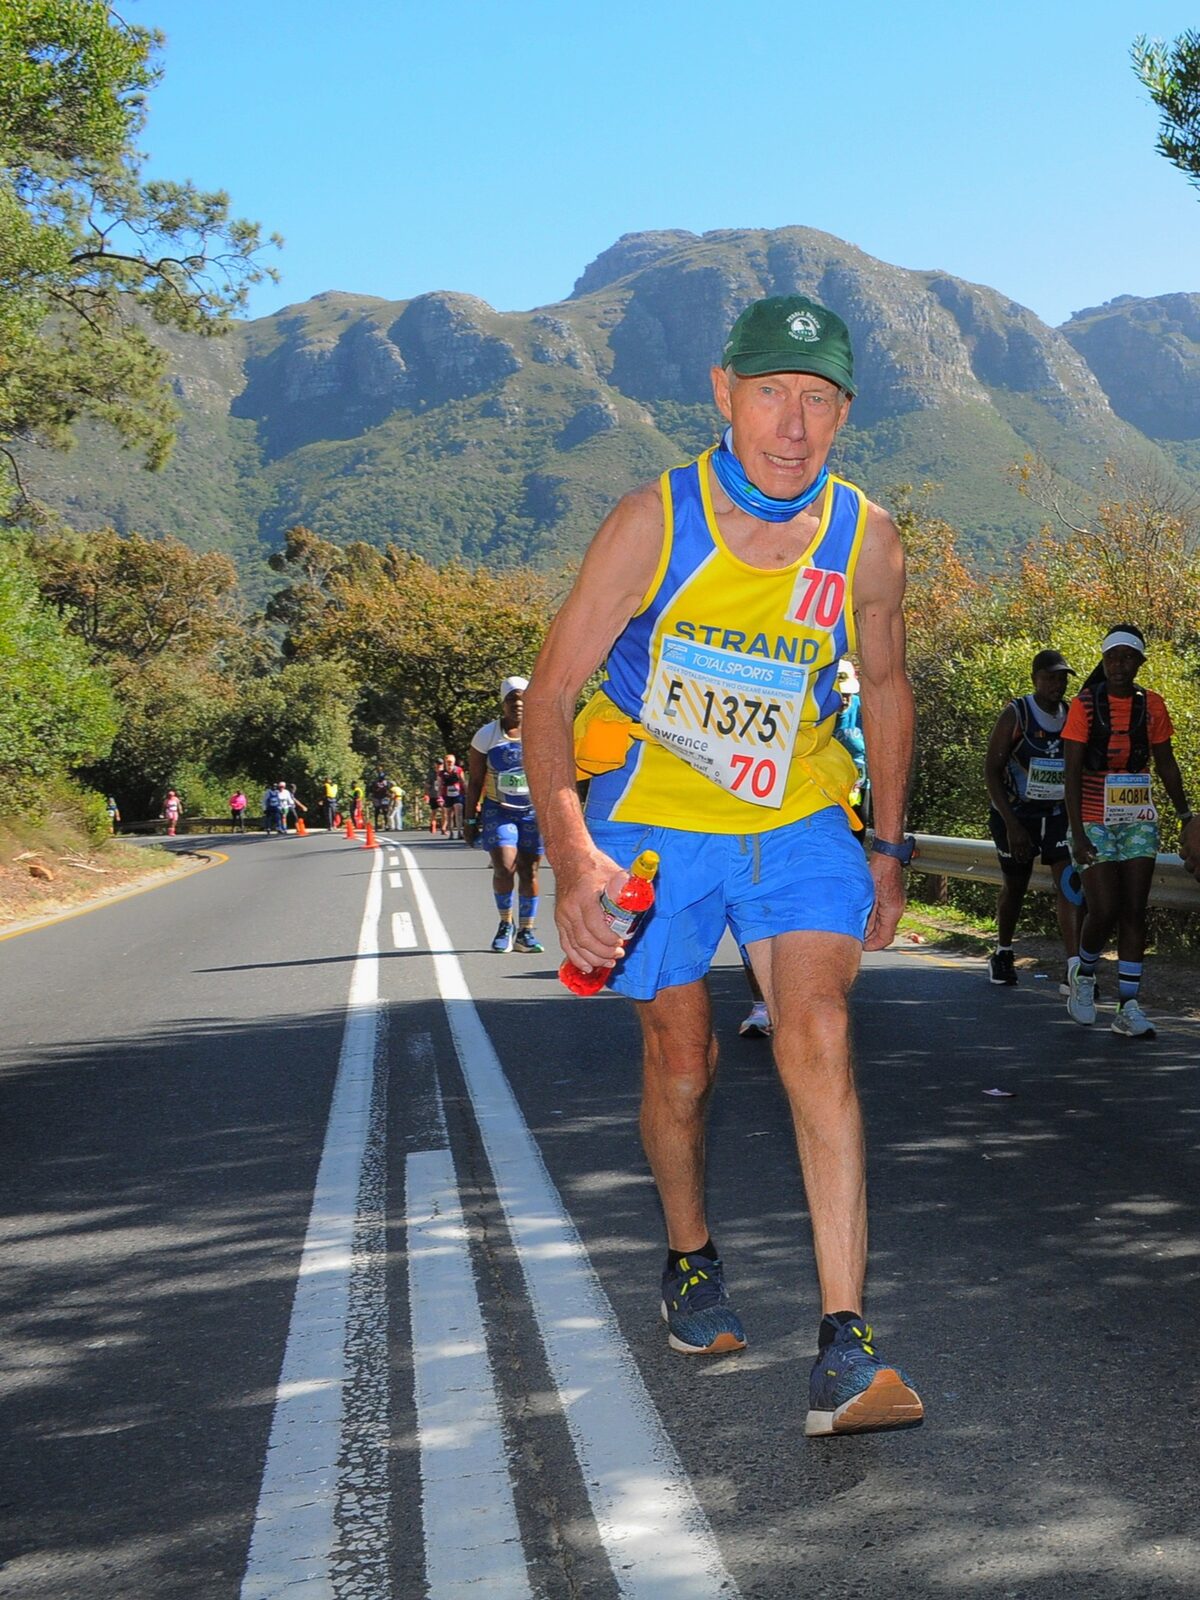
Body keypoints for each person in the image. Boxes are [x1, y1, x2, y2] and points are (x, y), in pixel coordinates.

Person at [525, 294, 922, 1437]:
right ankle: (690, 1256)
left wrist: (888, 844)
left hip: (797, 812)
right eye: (769, 396)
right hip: (654, 820)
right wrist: (570, 857)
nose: (792, 427)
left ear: (844, 410)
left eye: (816, 401)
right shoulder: (653, 521)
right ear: (721, 393)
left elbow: (886, 689)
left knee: (817, 1029)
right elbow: (551, 694)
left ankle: (846, 1342)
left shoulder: (867, 536)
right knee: (684, 1057)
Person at [1063, 625, 1195, 1039]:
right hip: (1091, 815)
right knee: (1103, 909)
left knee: (1135, 910)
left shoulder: (1151, 705)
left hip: (1137, 815)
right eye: (1112, 658)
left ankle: (1129, 1005)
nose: (1119, 665)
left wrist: (1186, 814)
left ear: (1139, 662)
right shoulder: (1084, 707)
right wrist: (1078, 833)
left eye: (1127, 658)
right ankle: (1084, 975)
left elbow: (1166, 763)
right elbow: (1070, 772)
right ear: (1103, 663)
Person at [983, 649, 1079, 987]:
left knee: (1070, 885)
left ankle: (1075, 970)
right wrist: (1011, 825)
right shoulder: (1017, 714)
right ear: (1034, 678)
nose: (1057, 684)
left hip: (1056, 814)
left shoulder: (1071, 714)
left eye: (1062, 678)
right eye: (1050, 677)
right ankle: (1003, 952)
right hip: (1016, 814)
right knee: (1016, 886)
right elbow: (992, 770)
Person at [466, 676, 545, 954]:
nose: (519, 704)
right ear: (503, 703)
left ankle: (526, 931)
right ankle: (505, 924)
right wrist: (469, 820)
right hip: (499, 811)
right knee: (504, 866)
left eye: (523, 697)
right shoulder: (487, 735)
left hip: (533, 812)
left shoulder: (542, 732)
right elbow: (475, 781)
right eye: (513, 699)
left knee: (529, 870)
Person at [442, 753, 467, 839]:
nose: (449, 763)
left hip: (458, 794)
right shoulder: (442, 772)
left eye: (451, 762)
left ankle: (460, 831)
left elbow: (463, 781)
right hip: (447, 795)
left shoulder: (458, 770)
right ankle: (451, 832)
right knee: (448, 814)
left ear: (454, 762)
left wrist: (467, 792)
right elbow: (440, 784)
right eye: (448, 762)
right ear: (445, 762)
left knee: (458, 811)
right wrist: (439, 797)